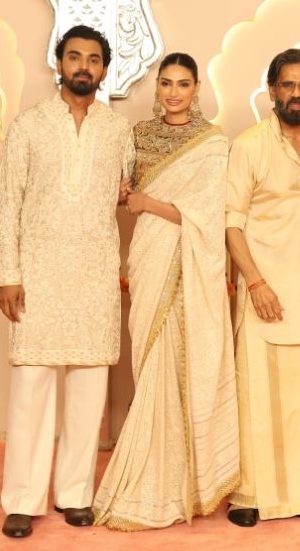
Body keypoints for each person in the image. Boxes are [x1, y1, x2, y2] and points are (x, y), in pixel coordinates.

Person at [0, 24, 134, 538]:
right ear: (58, 63)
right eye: (74, 57)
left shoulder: (118, 130)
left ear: (104, 69)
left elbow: (128, 190)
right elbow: (7, 202)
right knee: (31, 387)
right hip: (38, 272)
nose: (83, 67)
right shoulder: (29, 125)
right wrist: (7, 274)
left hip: (94, 272)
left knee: (89, 386)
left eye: (93, 59)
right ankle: (22, 499)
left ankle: (76, 494)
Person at [92, 53, 239, 530]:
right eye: (167, 83)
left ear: (196, 89)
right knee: (151, 364)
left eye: (183, 84)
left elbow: (207, 214)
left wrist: (146, 201)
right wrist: (122, 193)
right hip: (149, 255)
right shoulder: (138, 134)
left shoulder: (212, 142)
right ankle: (154, 475)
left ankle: (183, 483)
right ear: (157, 88)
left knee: (180, 362)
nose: (174, 92)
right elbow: (124, 192)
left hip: (187, 260)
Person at [224, 48, 300, 527]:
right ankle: (250, 496)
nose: (296, 94)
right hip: (265, 290)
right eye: (287, 85)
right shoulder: (249, 145)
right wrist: (255, 282)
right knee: (259, 399)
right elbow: (231, 223)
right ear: (271, 90)